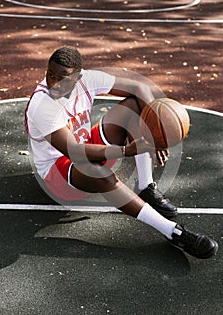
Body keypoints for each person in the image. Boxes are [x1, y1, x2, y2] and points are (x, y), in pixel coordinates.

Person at [25, 46, 218, 259]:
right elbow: (77, 153)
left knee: (135, 107)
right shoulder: (42, 105)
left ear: (78, 77)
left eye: (63, 79)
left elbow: (139, 88)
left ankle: (146, 187)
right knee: (97, 171)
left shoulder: (87, 80)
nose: (54, 83)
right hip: (59, 174)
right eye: (50, 75)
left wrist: (156, 135)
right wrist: (127, 150)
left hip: (87, 147)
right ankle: (173, 232)